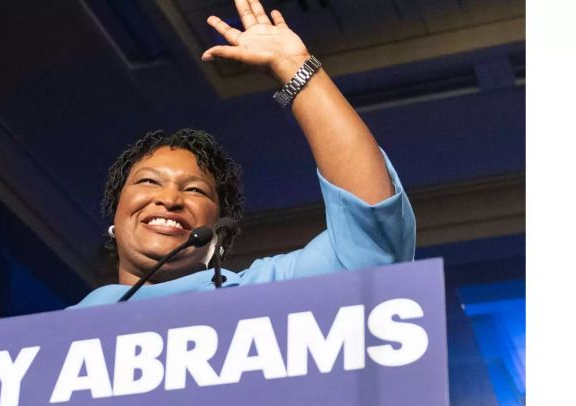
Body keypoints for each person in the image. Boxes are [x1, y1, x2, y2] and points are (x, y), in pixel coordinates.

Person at [72, 0, 415, 308]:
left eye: (194, 190)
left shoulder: (259, 294)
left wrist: (294, 68)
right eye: (148, 181)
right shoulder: (54, 338)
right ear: (115, 219)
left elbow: (372, 247)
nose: (170, 199)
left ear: (218, 235)